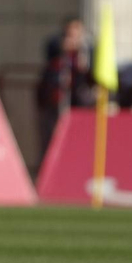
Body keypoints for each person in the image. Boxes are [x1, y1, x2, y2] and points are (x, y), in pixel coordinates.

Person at [36, 17, 93, 164]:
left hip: (78, 99)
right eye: (71, 30)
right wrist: (63, 48)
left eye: (77, 30)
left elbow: (89, 72)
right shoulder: (56, 43)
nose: (74, 34)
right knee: (53, 134)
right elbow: (50, 53)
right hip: (56, 99)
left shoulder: (88, 48)